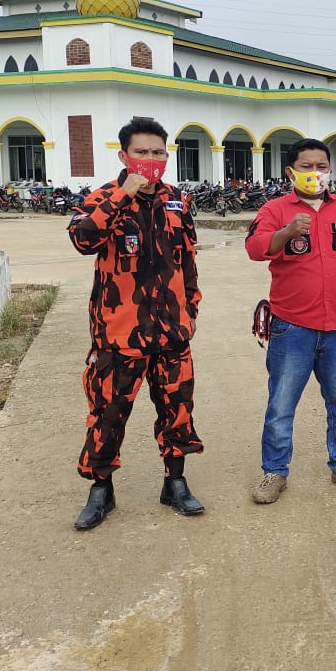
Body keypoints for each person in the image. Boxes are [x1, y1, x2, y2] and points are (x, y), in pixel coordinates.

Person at [67, 117, 205, 530]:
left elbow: (188, 261)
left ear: (167, 156)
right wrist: (122, 196)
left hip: (171, 335)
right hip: (118, 336)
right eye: (141, 152)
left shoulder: (177, 201)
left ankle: (175, 483)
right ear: (124, 156)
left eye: (158, 153)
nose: (150, 160)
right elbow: (82, 240)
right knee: (107, 415)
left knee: (177, 412)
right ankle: (101, 490)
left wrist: (191, 310)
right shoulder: (102, 197)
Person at [245, 138, 336, 503]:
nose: (315, 173)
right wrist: (287, 232)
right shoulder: (276, 209)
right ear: (290, 171)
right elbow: (255, 248)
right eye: (306, 166)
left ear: (330, 170)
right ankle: (274, 472)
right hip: (292, 327)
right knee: (281, 405)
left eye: (321, 166)